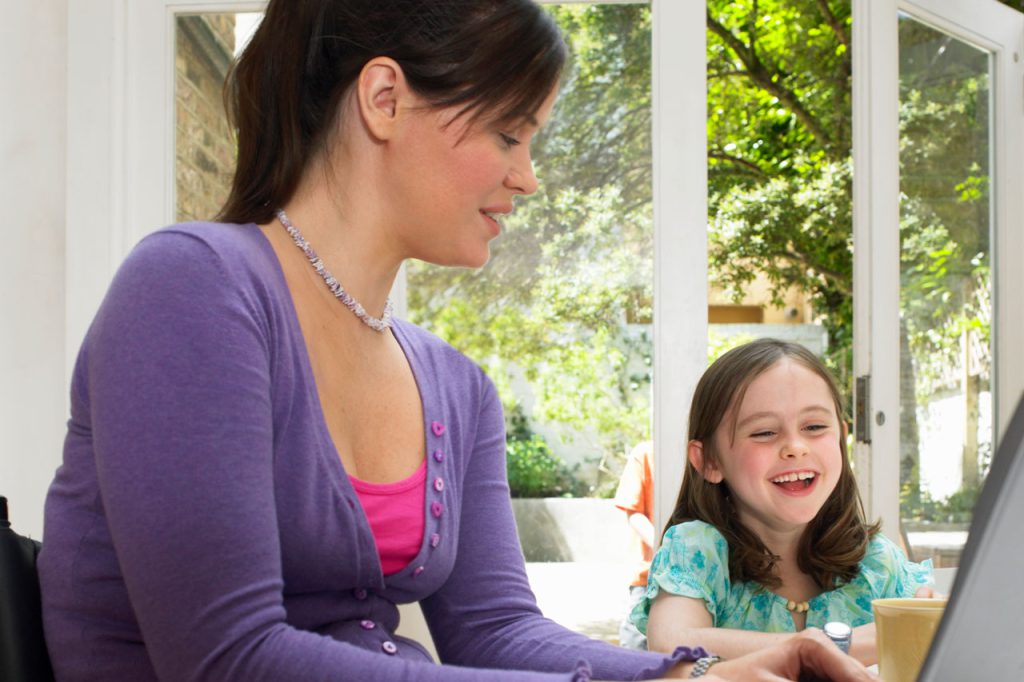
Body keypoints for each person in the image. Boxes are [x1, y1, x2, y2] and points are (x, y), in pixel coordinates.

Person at [38, 2, 880, 680]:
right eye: (509, 133)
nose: (528, 174)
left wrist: (680, 675)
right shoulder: (194, 287)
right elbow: (228, 657)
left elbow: (494, 629)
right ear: (384, 99)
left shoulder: (454, 383)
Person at [632, 339, 935, 667]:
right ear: (709, 460)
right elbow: (671, 643)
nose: (795, 446)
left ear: (840, 438)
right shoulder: (697, 552)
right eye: (764, 432)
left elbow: (927, 642)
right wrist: (841, 645)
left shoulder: (877, 563)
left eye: (815, 427)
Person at [612, 440, 655, 649]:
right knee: (635, 643)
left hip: (695, 574)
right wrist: (666, 547)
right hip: (648, 574)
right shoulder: (646, 453)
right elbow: (634, 513)